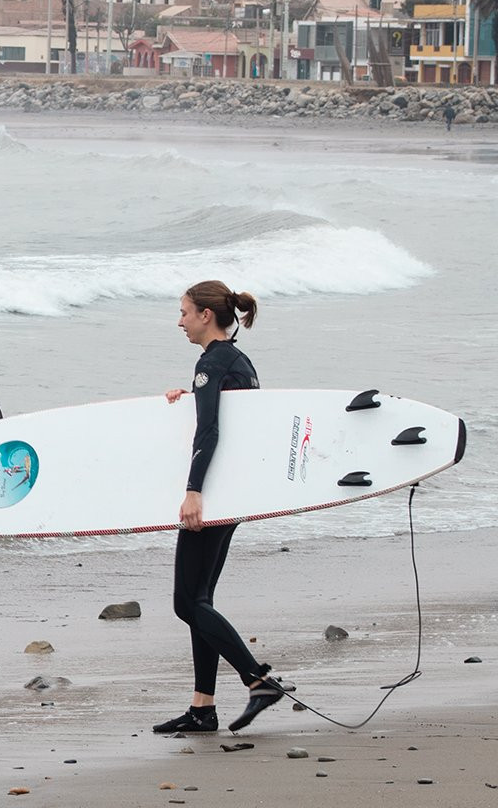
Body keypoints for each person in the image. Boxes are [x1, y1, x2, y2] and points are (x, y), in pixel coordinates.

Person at [154, 280, 288, 734]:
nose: (180, 322)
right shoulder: (238, 361)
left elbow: (210, 432)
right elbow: (235, 424)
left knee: (186, 603)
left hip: (210, 496)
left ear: (205, 315)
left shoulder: (211, 363)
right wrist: (188, 400)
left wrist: (193, 490)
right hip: (234, 494)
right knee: (199, 601)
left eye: (185, 313)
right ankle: (202, 708)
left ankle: (258, 680)